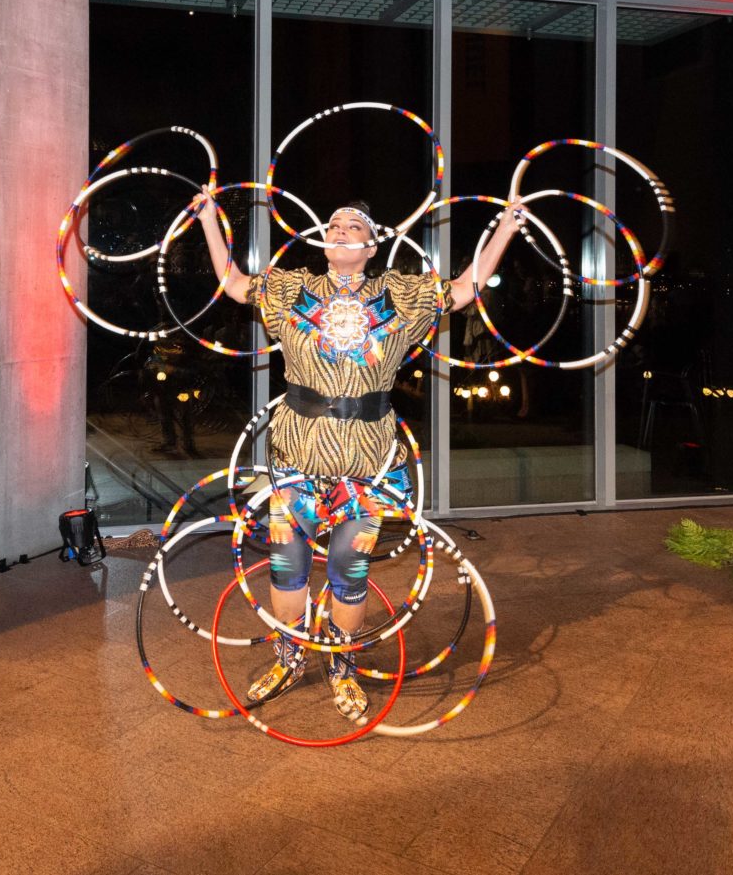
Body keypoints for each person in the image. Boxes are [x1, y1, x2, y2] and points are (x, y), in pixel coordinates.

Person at [195, 187, 521, 719]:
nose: (340, 228)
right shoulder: (292, 287)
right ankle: (291, 653)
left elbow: (464, 289)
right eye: (333, 222)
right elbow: (232, 283)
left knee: (349, 566)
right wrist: (210, 218)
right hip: (299, 450)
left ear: (373, 247)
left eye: (353, 225)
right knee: (287, 564)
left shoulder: (400, 294)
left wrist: (505, 228)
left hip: (367, 455)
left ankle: (342, 664)